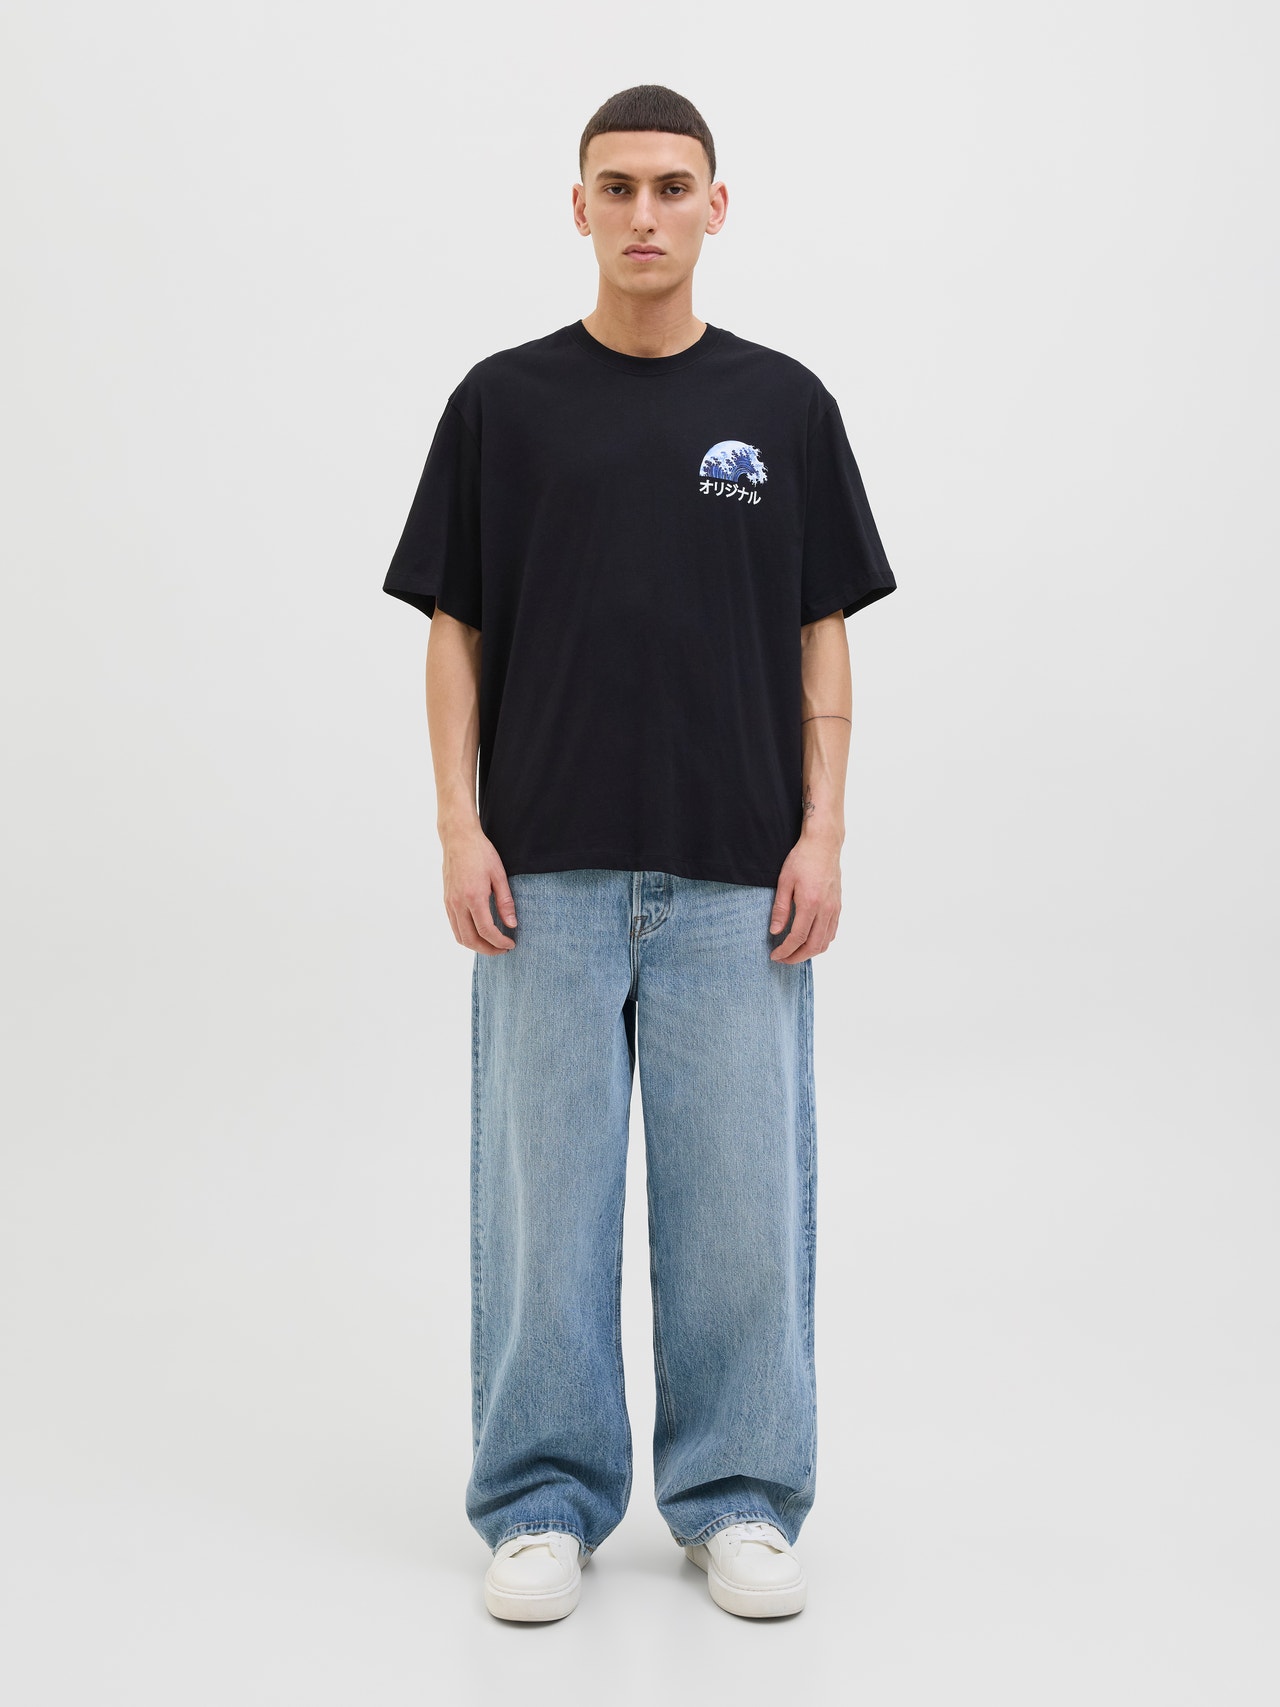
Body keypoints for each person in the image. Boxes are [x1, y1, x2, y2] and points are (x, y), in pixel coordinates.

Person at [381, 84, 897, 1622]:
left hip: (739, 875)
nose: (647, 213)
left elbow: (822, 634)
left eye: (674, 186)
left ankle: (738, 1497)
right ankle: (541, 1501)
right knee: (544, 1213)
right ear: (582, 207)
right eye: (618, 187)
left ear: (716, 207)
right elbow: (456, 629)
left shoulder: (784, 407)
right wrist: (460, 824)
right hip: (544, 877)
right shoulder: (504, 404)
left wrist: (825, 830)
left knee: (740, 1209)